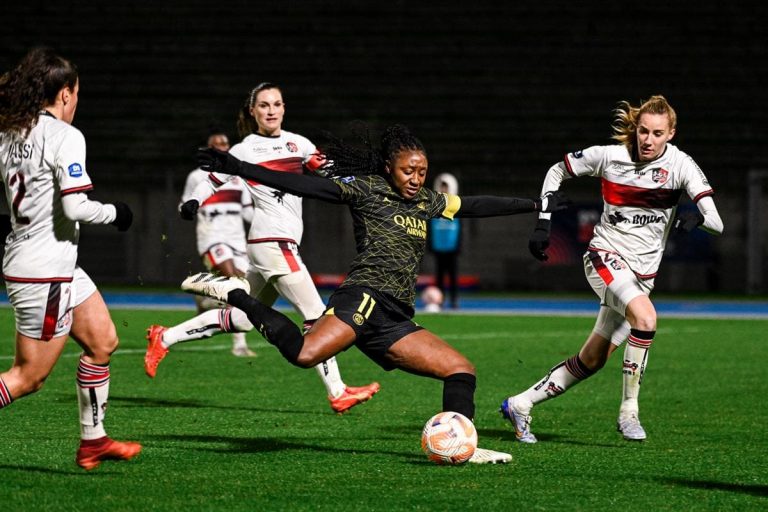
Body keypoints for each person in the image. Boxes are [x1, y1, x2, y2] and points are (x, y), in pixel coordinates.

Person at [188, 123, 571, 463]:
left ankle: (461, 444)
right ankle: (237, 295)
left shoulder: (427, 201)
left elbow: (473, 205)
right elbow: (306, 184)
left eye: (422, 171)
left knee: (461, 370)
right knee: (305, 355)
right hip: (364, 298)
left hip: (394, 317)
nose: (416, 178)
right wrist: (240, 168)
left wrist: (535, 204)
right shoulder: (367, 190)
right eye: (408, 170)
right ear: (389, 168)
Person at [500, 95, 724, 443]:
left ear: (671, 134)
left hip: (642, 276)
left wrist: (697, 219)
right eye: (643, 131)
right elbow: (556, 170)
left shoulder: (681, 166)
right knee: (646, 319)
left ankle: (520, 404)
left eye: (657, 133)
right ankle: (629, 412)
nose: (648, 140)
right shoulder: (609, 157)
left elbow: (717, 222)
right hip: (605, 256)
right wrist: (543, 222)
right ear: (636, 130)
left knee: (592, 359)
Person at [145, 83, 380, 413]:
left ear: (284, 108)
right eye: (264, 105)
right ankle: (337, 391)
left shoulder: (298, 144)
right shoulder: (244, 150)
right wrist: (193, 202)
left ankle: (164, 337)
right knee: (316, 316)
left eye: (277, 104)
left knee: (242, 319)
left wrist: (367, 182)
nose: (271, 110)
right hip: (272, 243)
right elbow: (212, 179)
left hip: (267, 245)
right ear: (252, 111)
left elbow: (330, 172)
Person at [0, 47, 141, 470]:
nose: (77, 101)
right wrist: (117, 213)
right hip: (45, 272)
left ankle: (93, 442)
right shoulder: (65, 136)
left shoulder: (9, 133)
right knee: (28, 377)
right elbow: (78, 208)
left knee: (103, 342)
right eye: (76, 92)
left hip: (51, 262)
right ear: (64, 93)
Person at [172, 128, 257, 357]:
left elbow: (249, 213)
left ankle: (205, 298)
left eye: (224, 142)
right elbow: (184, 204)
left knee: (240, 288)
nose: (221, 145)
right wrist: (187, 209)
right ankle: (239, 345)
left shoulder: (239, 178)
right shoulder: (197, 176)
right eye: (216, 143)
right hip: (212, 240)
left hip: (237, 241)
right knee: (235, 282)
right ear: (210, 148)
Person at [428, 173, 461, 309]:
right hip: (438, 248)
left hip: (451, 248)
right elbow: (430, 228)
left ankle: (453, 300)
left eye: (446, 187)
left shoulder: (454, 206)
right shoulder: (435, 207)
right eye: (442, 187)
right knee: (439, 277)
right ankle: (440, 300)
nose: (444, 190)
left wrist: (458, 245)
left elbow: (460, 228)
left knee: (453, 276)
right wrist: (431, 245)